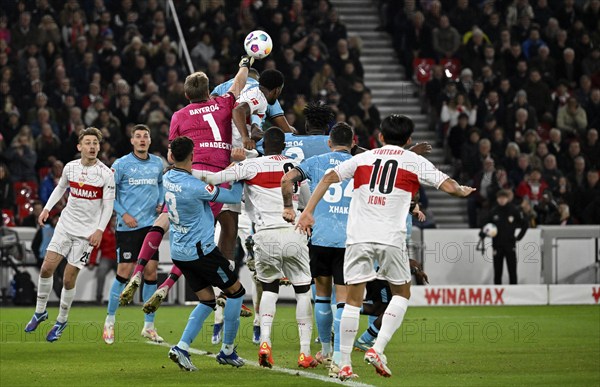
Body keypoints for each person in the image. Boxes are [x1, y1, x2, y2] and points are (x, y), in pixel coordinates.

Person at [296, 115, 475, 380]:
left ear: (380, 137)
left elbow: (327, 178)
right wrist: (461, 191)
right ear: (409, 140)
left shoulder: (363, 158)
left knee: (352, 301)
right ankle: (377, 348)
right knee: (401, 293)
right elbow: (448, 186)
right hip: (390, 238)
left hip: (357, 238)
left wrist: (308, 211)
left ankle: (343, 362)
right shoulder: (414, 161)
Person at [119, 55, 253, 308]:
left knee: (164, 222)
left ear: (186, 93)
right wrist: (244, 64)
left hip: (188, 172)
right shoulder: (223, 103)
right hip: (216, 175)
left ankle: (137, 271)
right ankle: (167, 286)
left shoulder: (179, 115)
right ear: (208, 90)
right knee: (195, 238)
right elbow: (238, 83)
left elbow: (172, 152)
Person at [201, 127, 317, 369]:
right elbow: (307, 200)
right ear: (284, 145)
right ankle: (305, 352)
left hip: (265, 235)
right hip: (293, 231)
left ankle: (265, 342)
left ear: (264, 146)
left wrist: (186, 170)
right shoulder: (296, 166)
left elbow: (213, 179)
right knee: (303, 291)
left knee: (270, 288)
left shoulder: (253, 166)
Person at [24, 127, 115, 342]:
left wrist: (99, 230)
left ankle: (61, 320)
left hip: (86, 234)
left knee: (68, 277)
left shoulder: (106, 174)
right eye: (88, 143)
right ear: (79, 147)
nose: (92, 146)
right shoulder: (70, 168)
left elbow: (108, 206)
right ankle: (40, 312)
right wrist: (47, 208)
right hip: (65, 226)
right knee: (46, 267)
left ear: (99, 147)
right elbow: (61, 188)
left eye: (95, 143)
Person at [164, 136, 246, 371]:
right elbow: (231, 197)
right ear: (192, 156)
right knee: (236, 292)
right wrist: (238, 170)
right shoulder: (194, 187)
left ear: (171, 156)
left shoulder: (167, 177)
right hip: (202, 253)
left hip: (180, 252)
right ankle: (228, 350)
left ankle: (181, 347)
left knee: (208, 300)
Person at [280, 122, 354, 376]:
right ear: (353, 143)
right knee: (343, 299)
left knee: (321, 295)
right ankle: (341, 356)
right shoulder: (361, 164)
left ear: (329, 142)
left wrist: (289, 206)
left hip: (320, 238)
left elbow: (287, 178)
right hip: (349, 240)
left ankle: (324, 349)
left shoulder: (318, 160)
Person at [103, 124, 165, 345]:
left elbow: (162, 184)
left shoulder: (158, 163)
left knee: (151, 272)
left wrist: (162, 202)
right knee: (124, 272)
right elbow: (109, 194)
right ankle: (109, 322)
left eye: (145, 136)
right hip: (128, 227)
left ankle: (149, 326)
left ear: (149, 141)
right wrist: (124, 214)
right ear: (132, 141)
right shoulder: (121, 164)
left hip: (151, 225)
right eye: (137, 136)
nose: (141, 140)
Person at [480, 189, 528, 285]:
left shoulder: (513, 210)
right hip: (497, 245)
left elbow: (525, 224)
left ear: (507, 199)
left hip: (510, 244)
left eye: (504, 198)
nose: (502, 200)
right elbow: (486, 225)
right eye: (500, 198)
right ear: (497, 199)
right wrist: (483, 233)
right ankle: (497, 293)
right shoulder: (493, 211)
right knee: (497, 271)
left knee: (512, 270)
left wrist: (518, 237)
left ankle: (514, 292)